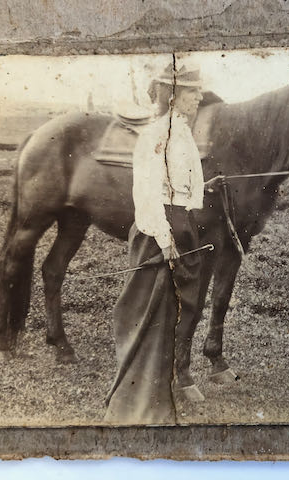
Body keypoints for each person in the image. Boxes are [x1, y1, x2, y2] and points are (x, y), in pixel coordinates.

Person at [104, 64, 217, 425]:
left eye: (198, 91)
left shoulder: (181, 132)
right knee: (150, 316)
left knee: (173, 314)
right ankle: (139, 404)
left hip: (181, 226)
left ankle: (160, 395)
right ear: (172, 96)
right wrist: (166, 240)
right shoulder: (156, 134)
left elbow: (183, 185)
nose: (199, 97)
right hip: (159, 232)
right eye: (191, 92)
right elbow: (148, 192)